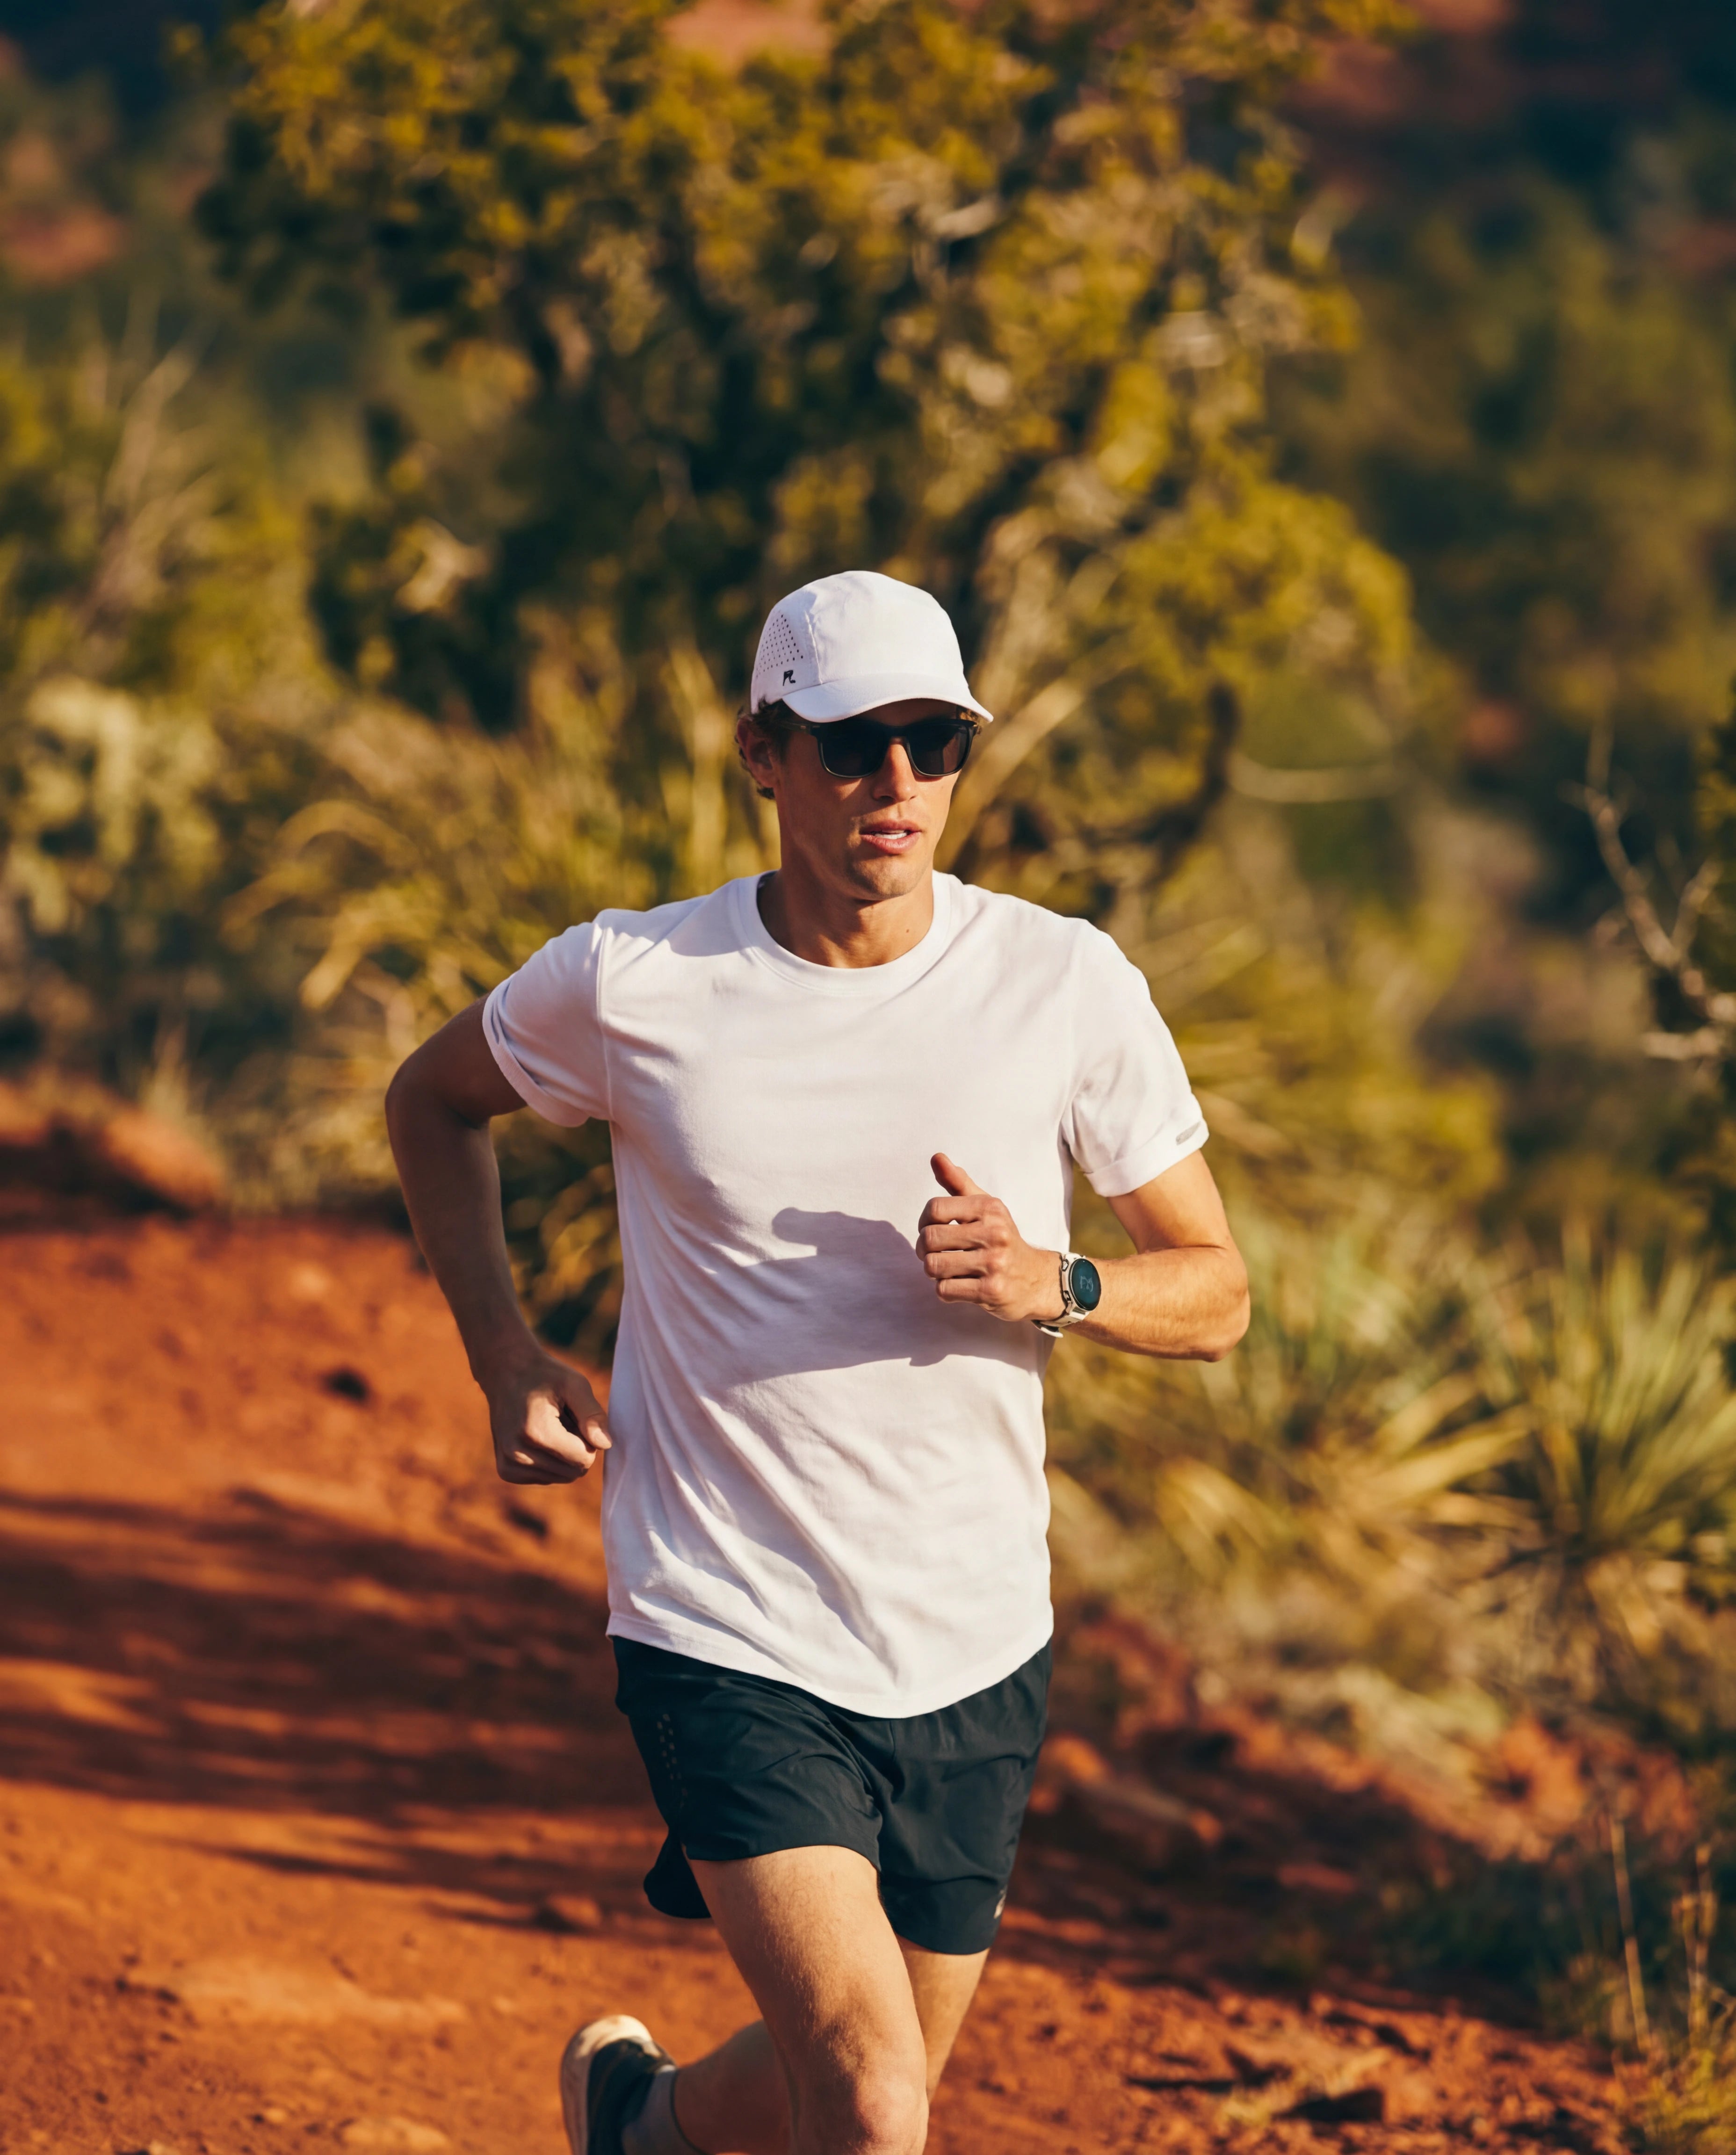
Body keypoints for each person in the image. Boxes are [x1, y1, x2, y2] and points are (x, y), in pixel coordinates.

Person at [385, 569, 1250, 2155]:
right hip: (725, 1617)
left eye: (936, 742)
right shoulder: (639, 982)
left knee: (840, 2084)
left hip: (973, 1635)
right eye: (854, 744)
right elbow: (431, 1101)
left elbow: (1219, 1290)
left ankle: (638, 2125)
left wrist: (1056, 1282)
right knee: (869, 2096)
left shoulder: (1060, 982)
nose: (898, 782)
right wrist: (503, 1350)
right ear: (763, 755)